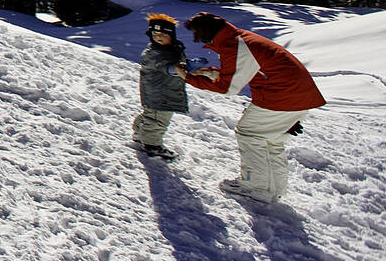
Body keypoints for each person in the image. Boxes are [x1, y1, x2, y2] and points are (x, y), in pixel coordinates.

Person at [177, 11, 327, 203]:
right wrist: (206, 73)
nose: (195, 38)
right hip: (299, 95)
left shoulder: (236, 45)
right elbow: (242, 71)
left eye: (196, 33)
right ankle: (274, 189)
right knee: (270, 140)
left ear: (205, 32)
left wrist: (189, 78)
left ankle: (254, 185)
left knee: (248, 133)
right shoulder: (241, 39)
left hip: (281, 96)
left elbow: (228, 87)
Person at [132, 14, 189, 159]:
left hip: (165, 91)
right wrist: (177, 69)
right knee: (158, 119)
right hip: (159, 94)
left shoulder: (173, 49)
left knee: (151, 115)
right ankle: (152, 145)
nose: (158, 37)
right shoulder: (152, 53)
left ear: (171, 35)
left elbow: (177, 63)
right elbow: (164, 66)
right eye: (155, 34)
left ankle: (140, 133)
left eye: (163, 34)